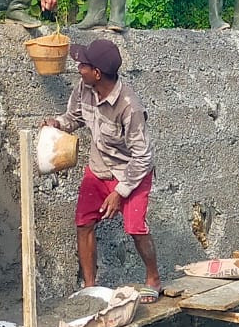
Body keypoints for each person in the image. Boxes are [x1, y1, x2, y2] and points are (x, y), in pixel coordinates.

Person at [42, 38, 161, 301]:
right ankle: (90, 287)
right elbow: (74, 118)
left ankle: (153, 278)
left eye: (83, 65)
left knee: (135, 228)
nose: (78, 68)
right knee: (84, 223)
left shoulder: (130, 107)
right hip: (99, 167)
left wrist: (120, 192)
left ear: (97, 73)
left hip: (131, 172)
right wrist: (57, 124)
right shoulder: (85, 88)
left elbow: (143, 155)